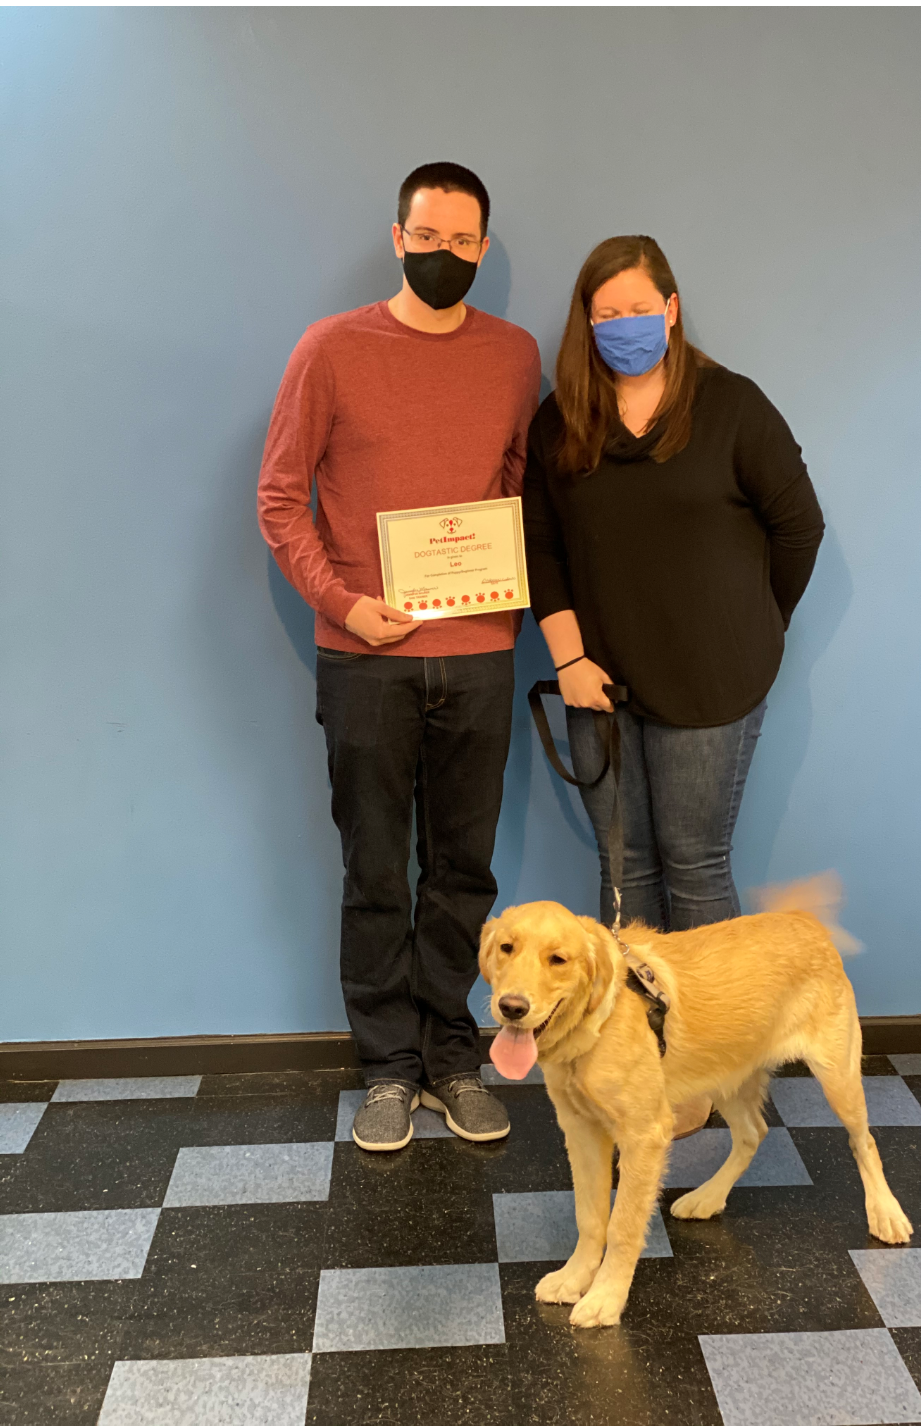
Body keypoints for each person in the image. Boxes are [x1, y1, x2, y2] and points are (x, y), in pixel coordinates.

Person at [258, 162, 541, 1152]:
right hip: (364, 658)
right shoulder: (331, 349)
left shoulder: (514, 356)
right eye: (429, 238)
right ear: (397, 237)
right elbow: (281, 500)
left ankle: (452, 1056)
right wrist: (342, 601)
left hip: (480, 657)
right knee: (376, 866)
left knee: (463, 871)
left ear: (483, 248)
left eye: (465, 242)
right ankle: (386, 1066)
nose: (445, 256)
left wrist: (501, 605)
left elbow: (513, 493)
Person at [523, 235, 824, 1134]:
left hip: (713, 687)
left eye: (636, 309)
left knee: (695, 874)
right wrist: (569, 660)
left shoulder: (732, 406)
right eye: (603, 313)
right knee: (626, 874)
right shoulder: (561, 420)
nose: (622, 327)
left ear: (673, 307)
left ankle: (705, 1071)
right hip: (599, 689)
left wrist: (748, 627)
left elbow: (798, 528)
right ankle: (633, 1059)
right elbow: (540, 548)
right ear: (587, 321)